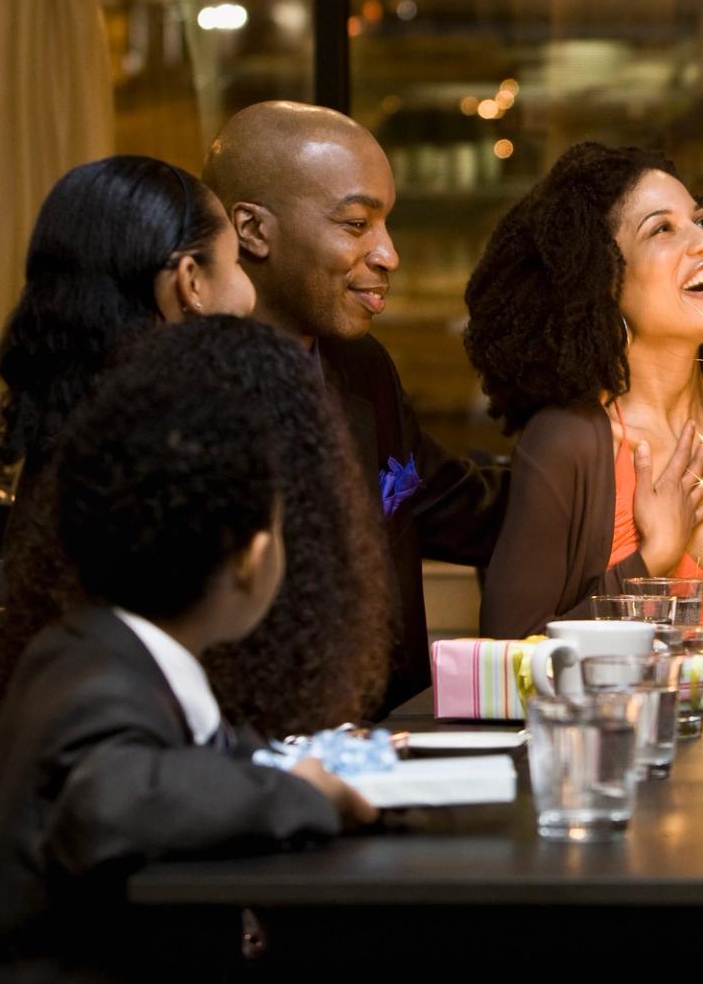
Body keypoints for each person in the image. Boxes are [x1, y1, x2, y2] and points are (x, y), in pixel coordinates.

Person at [0, 318, 376, 984]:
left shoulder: (86, 648)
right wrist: (297, 793)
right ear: (253, 560)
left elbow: (201, 755)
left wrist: (315, 764)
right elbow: (110, 802)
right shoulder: (97, 684)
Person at [203, 101, 510, 708]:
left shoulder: (360, 368)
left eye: (386, 224)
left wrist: (619, 471)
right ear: (253, 230)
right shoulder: (184, 398)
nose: (388, 254)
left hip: (389, 735)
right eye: (355, 224)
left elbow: (455, 507)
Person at [0, 156, 258, 733]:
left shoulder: (69, 442)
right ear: (190, 282)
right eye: (236, 261)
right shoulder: (161, 464)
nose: (251, 292)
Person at [463, 143, 703, 638]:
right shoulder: (569, 442)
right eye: (661, 229)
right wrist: (653, 558)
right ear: (602, 277)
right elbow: (512, 648)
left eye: (702, 221)